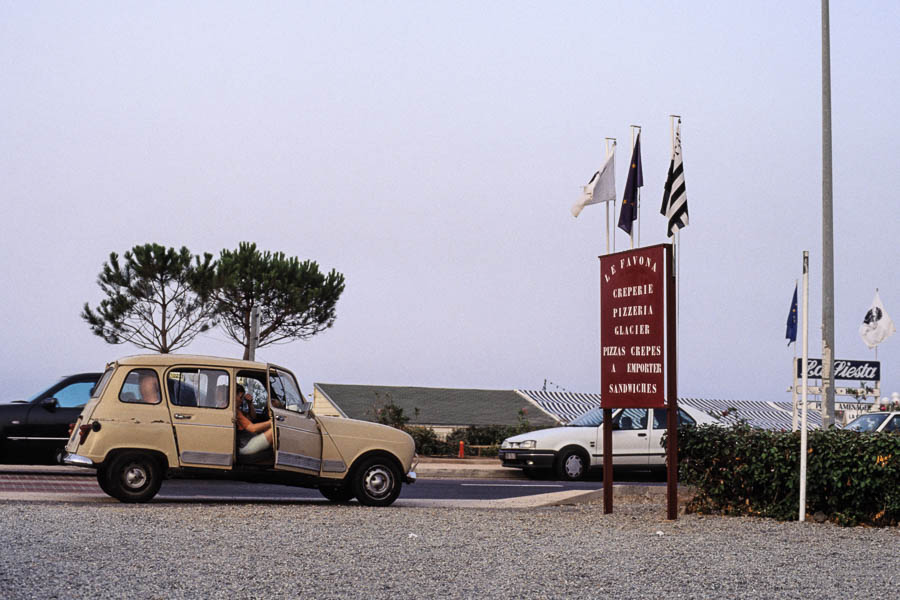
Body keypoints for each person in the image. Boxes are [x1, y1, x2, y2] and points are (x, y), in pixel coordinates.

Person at [236, 386, 272, 456]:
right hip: (244, 445)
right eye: (240, 397)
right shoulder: (235, 412)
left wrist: (250, 403)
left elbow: (252, 417)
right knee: (275, 431)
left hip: (248, 440)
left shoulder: (238, 410)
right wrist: (272, 422)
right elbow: (253, 428)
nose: (242, 400)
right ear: (233, 396)